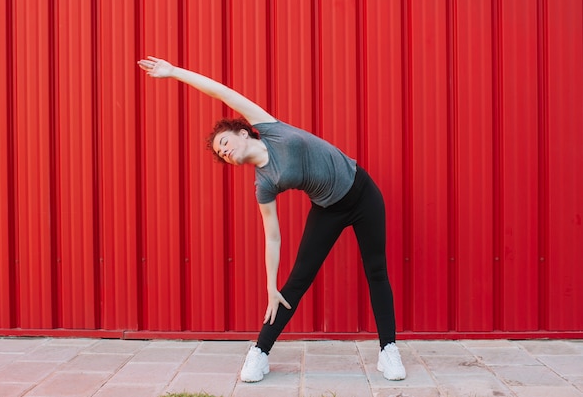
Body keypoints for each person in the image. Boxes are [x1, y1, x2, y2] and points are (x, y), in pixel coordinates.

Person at [137, 56, 406, 382]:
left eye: (224, 143)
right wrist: (269, 284)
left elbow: (221, 91)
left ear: (241, 133)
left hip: (363, 193)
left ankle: (388, 351)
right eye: (221, 154)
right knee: (295, 282)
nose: (225, 151)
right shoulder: (264, 185)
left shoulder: (268, 127)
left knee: (376, 270)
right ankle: (259, 353)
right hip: (329, 208)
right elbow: (273, 236)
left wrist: (174, 72)